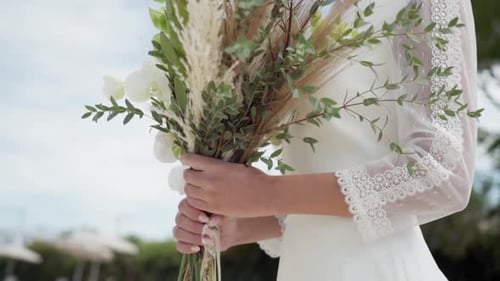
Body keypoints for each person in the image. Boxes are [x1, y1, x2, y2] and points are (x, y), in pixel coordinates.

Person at [173, 0, 478, 280]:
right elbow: (318, 178)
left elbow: (442, 172)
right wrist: (239, 224)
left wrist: (264, 192)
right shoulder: (294, 11)